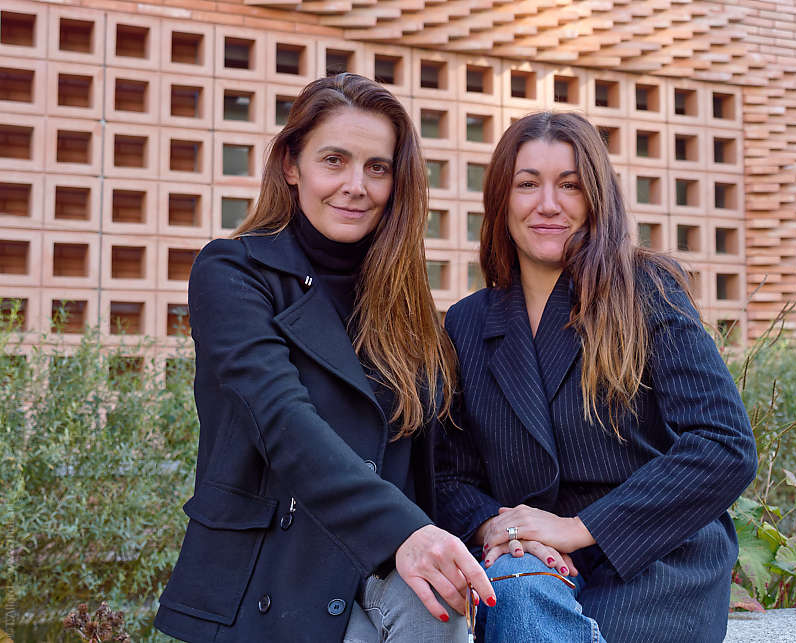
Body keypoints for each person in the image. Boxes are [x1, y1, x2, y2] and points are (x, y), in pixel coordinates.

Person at [154, 73, 494, 643]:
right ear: (293, 165)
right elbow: (282, 421)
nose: (355, 186)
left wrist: (500, 525)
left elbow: (436, 465)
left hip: (382, 578)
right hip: (268, 581)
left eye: (377, 168)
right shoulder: (232, 273)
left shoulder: (407, 308)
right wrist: (406, 532)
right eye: (334, 160)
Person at [434, 112, 757, 643]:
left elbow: (724, 446)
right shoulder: (468, 323)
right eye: (527, 184)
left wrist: (577, 530)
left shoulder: (645, 291)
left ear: (596, 199)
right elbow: (449, 477)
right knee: (514, 588)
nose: (548, 205)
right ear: (501, 199)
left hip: (650, 562)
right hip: (532, 565)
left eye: (570, 185)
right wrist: (498, 528)